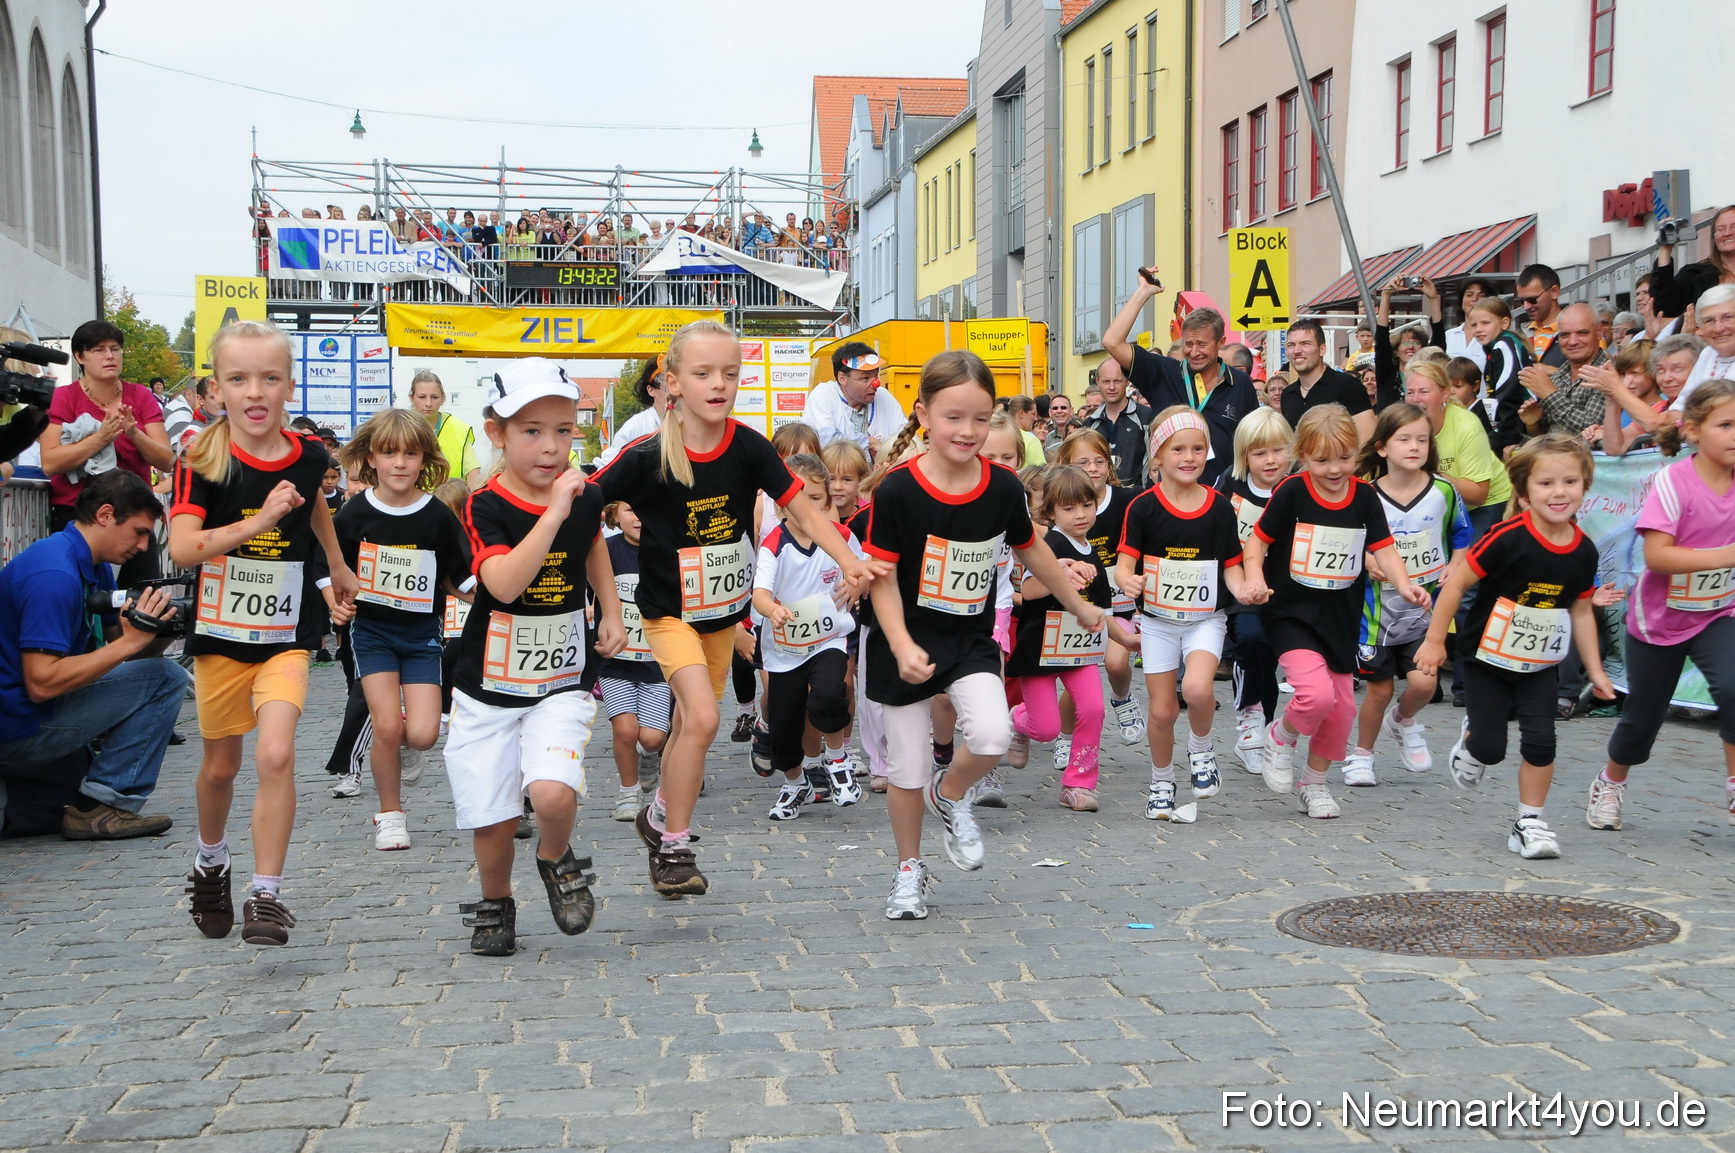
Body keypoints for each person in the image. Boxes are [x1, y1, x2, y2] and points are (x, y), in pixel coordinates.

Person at [592, 320, 875, 898]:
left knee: (688, 730)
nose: (719, 384)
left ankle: (659, 816)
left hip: (722, 615)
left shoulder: (747, 446)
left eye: (730, 373)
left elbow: (807, 512)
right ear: (672, 383)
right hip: (667, 612)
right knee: (701, 717)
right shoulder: (646, 457)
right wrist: (605, 606)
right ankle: (675, 847)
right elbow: (581, 507)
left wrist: (850, 561)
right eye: (702, 374)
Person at [861, 350, 1104, 920]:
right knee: (907, 769)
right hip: (905, 642)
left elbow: (1033, 551)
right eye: (952, 417)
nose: (967, 431)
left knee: (993, 737)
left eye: (979, 417)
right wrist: (899, 644)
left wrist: (1080, 605)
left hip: (969, 640)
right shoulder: (897, 491)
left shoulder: (1000, 488)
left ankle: (950, 796)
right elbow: (883, 579)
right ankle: (908, 870)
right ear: (923, 414)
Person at [170, 321, 359, 947]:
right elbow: (183, 549)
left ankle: (266, 895)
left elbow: (312, 505)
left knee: (276, 753)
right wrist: (259, 521)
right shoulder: (200, 457)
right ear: (216, 390)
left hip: (285, 632)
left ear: (289, 385)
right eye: (238, 379)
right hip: (221, 637)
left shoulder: (308, 454)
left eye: (269, 378)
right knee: (220, 768)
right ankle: (210, 858)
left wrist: (334, 564)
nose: (255, 392)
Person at [444, 360, 624, 956]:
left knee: (551, 793)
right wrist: (553, 510)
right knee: (493, 819)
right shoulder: (484, 505)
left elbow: (592, 543)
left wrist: (612, 608)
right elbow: (502, 585)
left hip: (562, 677)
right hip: (487, 684)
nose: (551, 447)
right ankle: (496, 901)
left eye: (564, 430)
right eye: (531, 431)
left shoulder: (586, 494)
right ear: (497, 433)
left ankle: (554, 856)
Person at [1416, 435, 1619, 860]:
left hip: (1540, 662)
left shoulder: (1583, 550)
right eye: (1546, 484)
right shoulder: (1506, 538)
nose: (1559, 492)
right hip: (1486, 659)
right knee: (1491, 748)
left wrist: (1596, 671)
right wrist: (1435, 641)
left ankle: (1529, 821)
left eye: (1570, 481)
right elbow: (1456, 584)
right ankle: (1472, 739)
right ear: (1524, 493)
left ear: (1585, 485)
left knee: (1542, 740)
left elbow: (1581, 611)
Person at [1238, 405, 1430, 820]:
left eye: (1344, 457)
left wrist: (1404, 583)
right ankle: (1281, 734)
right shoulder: (1291, 491)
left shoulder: (1364, 496)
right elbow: (1256, 544)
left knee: (1342, 711)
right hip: (1291, 614)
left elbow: (1385, 549)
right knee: (1315, 694)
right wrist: (1254, 578)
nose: (1334, 468)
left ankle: (1314, 783)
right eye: (1322, 460)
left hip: (1340, 618)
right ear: (1302, 455)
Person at [0, 471, 189, 839]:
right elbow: (41, 682)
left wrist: (165, 632)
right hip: (17, 726)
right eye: (139, 532)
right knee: (169, 678)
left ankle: (87, 797)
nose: (144, 547)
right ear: (105, 515)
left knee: (157, 672)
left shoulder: (91, 564)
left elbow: (124, 661)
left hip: (32, 714)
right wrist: (131, 644)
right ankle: (110, 804)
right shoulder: (53, 573)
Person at [1588, 379, 1735, 833]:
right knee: (1642, 719)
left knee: (1733, 688)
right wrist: (1728, 556)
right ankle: (1611, 781)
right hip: (1660, 621)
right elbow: (1657, 556)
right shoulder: (1674, 480)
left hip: (1719, 612)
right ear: (1691, 431)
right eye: (1725, 424)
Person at [332, 410, 472, 853]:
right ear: (371, 457)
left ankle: (401, 747)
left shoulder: (436, 515)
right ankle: (390, 815)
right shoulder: (354, 513)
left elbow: (458, 574)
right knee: (387, 726)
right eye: (389, 453)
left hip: (422, 638)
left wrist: (495, 600)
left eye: (410, 454)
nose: (399, 463)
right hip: (372, 635)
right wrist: (334, 601)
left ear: (425, 460)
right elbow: (330, 565)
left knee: (424, 734)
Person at [1115, 411, 1252, 819]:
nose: (1189, 457)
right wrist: (1127, 581)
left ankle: (1201, 748)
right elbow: (1126, 562)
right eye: (1178, 449)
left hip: (1205, 619)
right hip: (1157, 621)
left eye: (1198, 449)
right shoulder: (1142, 507)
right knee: (1161, 710)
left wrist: (1242, 587)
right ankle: (1161, 780)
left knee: (1195, 689)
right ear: (1157, 456)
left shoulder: (1219, 507)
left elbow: (1231, 563)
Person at [1344, 403, 1472, 787]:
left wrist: (1456, 565)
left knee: (1424, 683)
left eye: (1422, 439)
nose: (1414, 447)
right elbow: (1353, 542)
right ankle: (1361, 755)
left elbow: (1462, 536)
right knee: (1378, 689)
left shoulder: (1445, 491)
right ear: (1382, 447)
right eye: (1404, 439)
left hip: (1424, 608)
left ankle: (1403, 720)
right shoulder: (1366, 495)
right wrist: (1368, 560)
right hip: (1376, 612)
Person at [1006, 465, 1138, 812]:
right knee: (1046, 727)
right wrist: (1060, 571)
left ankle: (1079, 782)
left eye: (1086, 505)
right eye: (1069, 508)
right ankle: (1018, 718)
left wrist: (1126, 640)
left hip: (1079, 650)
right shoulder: (1049, 544)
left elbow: (1099, 612)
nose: (1080, 515)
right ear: (1050, 511)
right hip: (1040, 651)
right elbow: (1029, 589)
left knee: (1093, 708)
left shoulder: (1091, 549)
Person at [753, 454, 868, 821]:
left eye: (815, 499)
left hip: (828, 640)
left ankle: (837, 759)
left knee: (832, 694)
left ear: (828, 501)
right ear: (779, 503)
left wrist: (856, 586)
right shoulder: (775, 542)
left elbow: (863, 571)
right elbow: (759, 593)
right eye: (795, 499)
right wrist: (772, 609)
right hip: (785, 649)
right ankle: (795, 782)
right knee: (784, 731)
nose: (804, 507)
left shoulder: (842, 537)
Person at [39, 321, 174, 583]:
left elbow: (167, 460)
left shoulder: (141, 396)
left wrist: (134, 433)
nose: (110, 356)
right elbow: (51, 462)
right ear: (80, 356)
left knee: (139, 600)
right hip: (78, 515)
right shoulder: (64, 397)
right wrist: (101, 437)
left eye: (115, 349)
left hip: (134, 513)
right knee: (81, 600)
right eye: (99, 350)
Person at [1104, 279, 1258, 488]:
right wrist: (1143, 292)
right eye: (1188, 343)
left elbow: (1252, 444)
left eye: (1202, 344)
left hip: (1221, 499)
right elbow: (1112, 342)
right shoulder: (1163, 372)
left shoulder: (1240, 383)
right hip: (1168, 497)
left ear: (1221, 343)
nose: (1193, 352)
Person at [1049, 431, 1144, 749]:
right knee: (1078, 680)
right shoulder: (1063, 507)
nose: (1092, 468)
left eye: (1099, 461)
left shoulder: (1125, 501)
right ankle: (1065, 735)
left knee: (1118, 662)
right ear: (1066, 464)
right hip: (1080, 609)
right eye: (1083, 462)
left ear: (1110, 464)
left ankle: (1122, 698)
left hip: (1120, 602)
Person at [1215, 408, 1293, 776]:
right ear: (1244, 455)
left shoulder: (1296, 488)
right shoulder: (1229, 484)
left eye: (1278, 450)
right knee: (1250, 641)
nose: (1270, 460)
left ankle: (1265, 727)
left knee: (1271, 657)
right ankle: (1249, 716)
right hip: (1240, 587)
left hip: (1286, 589)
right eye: (1259, 453)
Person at [598, 500, 669, 823]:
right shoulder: (605, 550)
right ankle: (629, 792)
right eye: (630, 509)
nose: (638, 516)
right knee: (625, 731)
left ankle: (650, 760)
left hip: (658, 661)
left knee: (652, 737)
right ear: (614, 515)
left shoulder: (666, 547)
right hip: (617, 660)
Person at [1515, 303, 1608, 438]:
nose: (1572, 341)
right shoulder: (1558, 376)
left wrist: (1550, 394)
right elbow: (1545, 435)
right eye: (1564, 335)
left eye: (1582, 333)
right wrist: (1532, 424)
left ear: (1599, 331)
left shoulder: (1608, 373)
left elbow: (1591, 428)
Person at [801, 343, 907, 461]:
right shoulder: (823, 394)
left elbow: (906, 438)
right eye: (865, 378)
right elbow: (825, 441)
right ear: (842, 378)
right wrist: (870, 442)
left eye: (876, 376)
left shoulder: (884, 396)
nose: (875, 384)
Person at [1280, 319, 1374, 440]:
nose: (1297, 350)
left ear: (1322, 349)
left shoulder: (1348, 386)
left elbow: (1366, 442)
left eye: (1305, 343)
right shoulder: (1287, 395)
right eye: (1291, 345)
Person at [1649, 204, 1735, 319]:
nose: (1727, 233)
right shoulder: (1694, 275)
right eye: (1720, 229)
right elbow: (1662, 307)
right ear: (1714, 237)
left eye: (1734, 227)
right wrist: (1665, 249)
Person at [1582, 340, 1666, 456]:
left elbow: (1618, 445)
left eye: (1634, 373)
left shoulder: (1662, 410)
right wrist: (1594, 432)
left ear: (1653, 372)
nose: (1627, 381)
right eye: (1623, 374)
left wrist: (1605, 435)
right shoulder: (1621, 409)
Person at [406, 370, 483, 489]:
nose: (428, 403)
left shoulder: (459, 429)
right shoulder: (401, 428)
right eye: (422, 397)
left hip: (449, 502)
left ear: (443, 398)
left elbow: (473, 471)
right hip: (409, 502)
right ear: (412, 398)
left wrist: (474, 501)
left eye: (434, 397)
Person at [1670, 285, 1735, 412]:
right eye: (1709, 320)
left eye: (1728, 317)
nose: (1718, 328)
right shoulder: (1708, 353)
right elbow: (1680, 408)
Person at [597, 359, 671, 469]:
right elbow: (607, 465)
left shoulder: (692, 423)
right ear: (651, 390)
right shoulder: (636, 426)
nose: (673, 393)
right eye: (667, 388)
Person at [1515, 264, 1570, 367]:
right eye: (1521, 301)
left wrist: (1553, 372)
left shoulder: (1577, 331)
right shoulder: (1519, 335)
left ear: (1554, 292)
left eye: (1532, 299)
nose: (1526, 306)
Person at [163, 376, 225, 457]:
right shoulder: (192, 433)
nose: (219, 402)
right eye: (212, 398)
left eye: (222, 396)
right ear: (201, 399)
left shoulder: (231, 426)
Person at [1442, 279, 1494, 370]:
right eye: (1469, 295)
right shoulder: (1448, 336)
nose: (1474, 299)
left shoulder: (1495, 337)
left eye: (1481, 295)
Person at [1003, 395, 1047, 465]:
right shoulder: (1031, 440)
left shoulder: (998, 435)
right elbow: (1040, 472)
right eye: (1033, 414)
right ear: (1021, 413)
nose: (1035, 419)